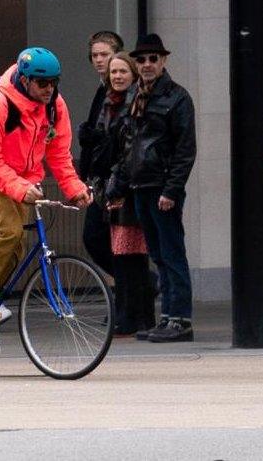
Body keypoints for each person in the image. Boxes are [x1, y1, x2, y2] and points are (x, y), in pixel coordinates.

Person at [0, 47, 92, 357]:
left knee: (18, 245)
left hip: (22, 179)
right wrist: (20, 187)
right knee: (10, 231)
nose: (49, 90)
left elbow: (59, 154)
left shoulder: (55, 107)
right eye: (42, 83)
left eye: (54, 83)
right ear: (24, 79)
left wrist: (75, 188)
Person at [107, 33, 196, 343]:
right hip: (140, 185)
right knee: (158, 255)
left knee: (171, 254)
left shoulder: (177, 97)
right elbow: (127, 146)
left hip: (160, 187)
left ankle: (180, 319)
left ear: (163, 61)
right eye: (142, 59)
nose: (146, 64)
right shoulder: (136, 97)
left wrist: (171, 191)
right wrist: (118, 185)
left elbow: (185, 150)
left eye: (152, 59)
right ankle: (169, 318)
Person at [101, 52, 156, 336]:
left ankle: (134, 317)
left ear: (133, 74)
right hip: (120, 183)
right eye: (114, 72)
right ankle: (135, 316)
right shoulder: (109, 103)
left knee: (131, 257)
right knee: (125, 256)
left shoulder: (135, 103)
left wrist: (116, 185)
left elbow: (129, 149)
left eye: (123, 71)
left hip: (129, 187)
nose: (118, 76)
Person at [78, 31, 124, 276]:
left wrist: (93, 136)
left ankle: (140, 285)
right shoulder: (102, 89)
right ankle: (133, 289)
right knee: (100, 240)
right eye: (94, 55)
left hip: (113, 179)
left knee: (102, 239)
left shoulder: (119, 90)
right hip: (101, 179)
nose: (98, 60)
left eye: (104, 54)